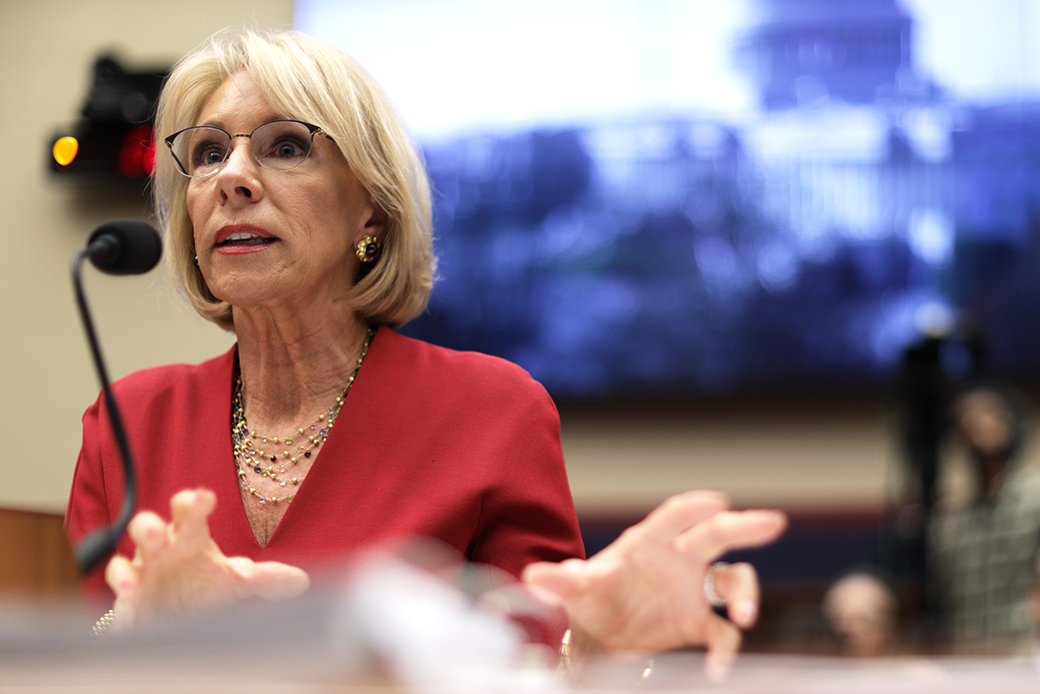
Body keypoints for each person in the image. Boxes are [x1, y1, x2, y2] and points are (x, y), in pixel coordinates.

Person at [64, 28, 785, 678]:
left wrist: (601, 653)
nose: (232, 178)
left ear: (368, 210)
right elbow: (74, 667)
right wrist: (141, 630)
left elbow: (538, 662)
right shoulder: (128, 423)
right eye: (208, 153)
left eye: (286, 146)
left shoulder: (493, 411)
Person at [928, 381, 1040, 654]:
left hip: (1027, 657)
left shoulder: (1036, 497)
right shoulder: (949, 519)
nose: (975, 425)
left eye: (987, 415)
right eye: (965, 420)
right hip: (971, 659)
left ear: (1011, 424)